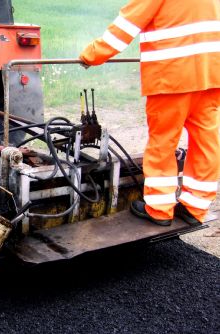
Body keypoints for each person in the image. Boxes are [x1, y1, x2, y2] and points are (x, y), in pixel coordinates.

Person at [79, 0, 220, 226]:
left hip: (172, 77)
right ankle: (195, 207)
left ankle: (160, 209)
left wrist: (91, 55)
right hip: (210, 75)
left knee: (163, 142)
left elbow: (126, 26)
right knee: (205, 142)